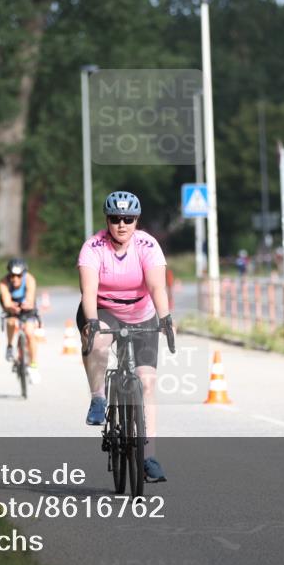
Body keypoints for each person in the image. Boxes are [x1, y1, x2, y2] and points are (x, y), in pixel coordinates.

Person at [78, 191, 175, 483]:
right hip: (104, 308)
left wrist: (166, 319)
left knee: (147, 382)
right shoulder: (93, 247)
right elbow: (89, 292)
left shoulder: (148, 245)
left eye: (128, 219)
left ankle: (149, 457)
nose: (122, 224)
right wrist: (93, 322)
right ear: (107, 220)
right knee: (98, 343)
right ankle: (98, 398)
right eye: (115, 219)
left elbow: (158, 288)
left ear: (137, 221)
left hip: (142, 312)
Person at [0, 258, 40, 384]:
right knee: (11, 322)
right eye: (12, 275)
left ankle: (33, 365)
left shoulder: (30, 279)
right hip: (11, 306)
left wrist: (27, 305)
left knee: (29, 333)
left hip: (27, 306)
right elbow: (6, 301)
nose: (15, 279)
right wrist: (11, 307)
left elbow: (30, 298)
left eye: (18, 275)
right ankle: (10, 346)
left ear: (23, 274)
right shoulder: (4, 282)